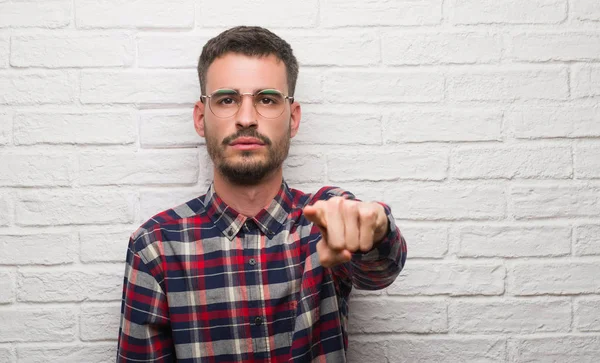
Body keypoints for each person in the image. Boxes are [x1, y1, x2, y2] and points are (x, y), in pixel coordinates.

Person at [117, 26, 407, 363]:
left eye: (266, 99)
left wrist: (374, 230)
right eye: (227, 99)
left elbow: (380, 270)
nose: (245, 119)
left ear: (293, 119)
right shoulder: (155, 247)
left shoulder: (325, 221)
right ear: (200, 118)